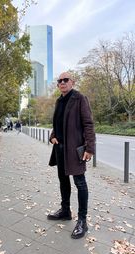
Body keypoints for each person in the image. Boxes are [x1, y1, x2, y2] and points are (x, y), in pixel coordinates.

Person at [48, 71, 95, 239]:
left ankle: (82, 221)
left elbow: (88, 124)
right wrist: (52, 136)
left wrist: (90, 148)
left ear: (72, 82)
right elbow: (58, 123)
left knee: (80, 183)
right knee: (63, 180)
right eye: (59, 81)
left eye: (65, 80)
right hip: (59, 149)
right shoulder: (59, 101)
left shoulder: (79, 98)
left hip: (75, 150)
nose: (62, 83)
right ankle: (65, 210)